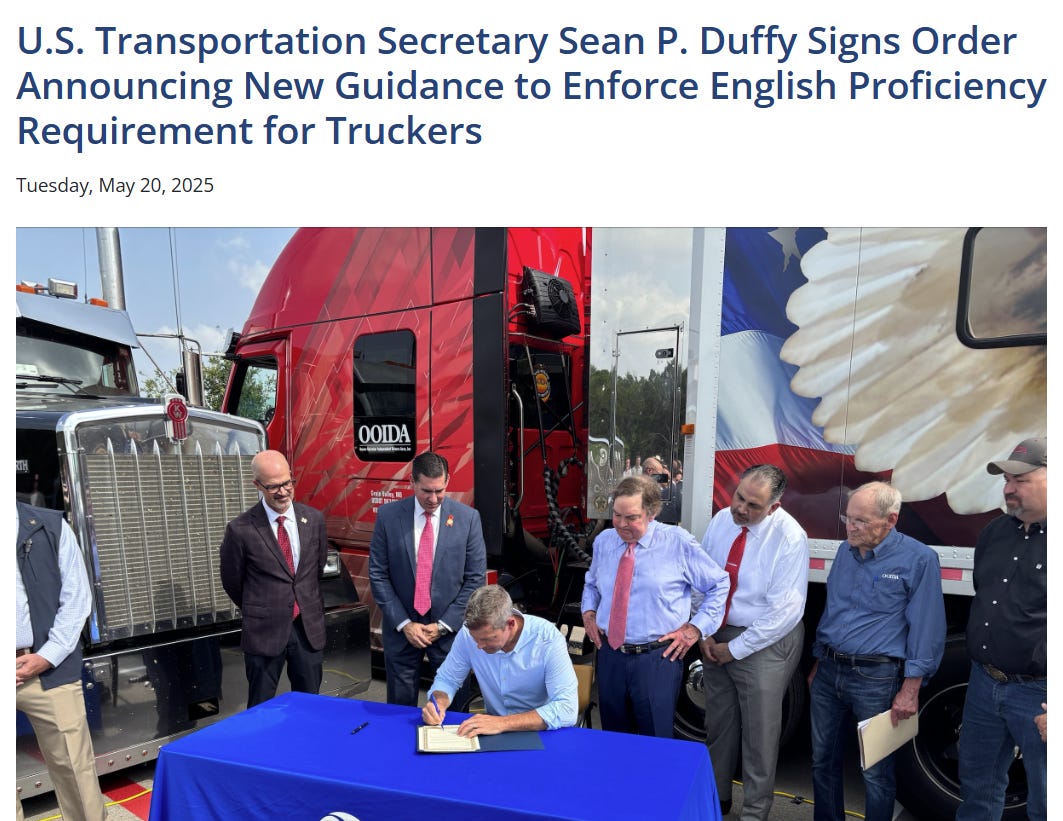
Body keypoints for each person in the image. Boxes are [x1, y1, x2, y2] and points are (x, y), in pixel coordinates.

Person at [809, 481, 945, 821]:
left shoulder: (919, 559)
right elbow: (833, 609)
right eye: (848, 518)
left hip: (876, 679)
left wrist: (911, 689)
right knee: (822, 761)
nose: (850, 528)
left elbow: (927, 628)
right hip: (829, 670)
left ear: (891, 519)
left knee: (876, 772)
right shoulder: (846, 551)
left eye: (861, 521)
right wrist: (818, 661)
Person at [698, 465, 808, 819]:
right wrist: (704, 630)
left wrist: (734, 649)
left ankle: (755, 813)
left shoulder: (790, 537)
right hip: (717, 633)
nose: (741, 509)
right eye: (739, 497)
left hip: (764, 640)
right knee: (718, 725)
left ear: (774, 507)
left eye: (753, 505)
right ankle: (716, 800)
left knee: (760, 735)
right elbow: (702, 578)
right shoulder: (721, 520)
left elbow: (785, 612)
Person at [581, 476, 729, 737]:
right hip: (610, 656)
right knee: (613, 740)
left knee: (655, 741)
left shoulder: (677, 543)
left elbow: (718, 584)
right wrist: (589, 611)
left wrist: (695, 629)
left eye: (631, 518)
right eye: (617, 515)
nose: (621, 524)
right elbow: (592, 582)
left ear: (652, 514)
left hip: (656, 660)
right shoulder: (605, 541)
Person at [956, 437, 1047, 821]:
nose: (1009, 488)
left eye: (1020, 480)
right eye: (1007, 479)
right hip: (984, 684)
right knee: (977, 793)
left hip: (1040, 695)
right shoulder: (994, 532)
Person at [369, 451, 487, 706]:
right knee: (399, 712)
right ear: (412, 482)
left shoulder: (468, 519)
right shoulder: (388, 516)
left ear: (447, 481)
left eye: (439, 490)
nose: (433, 499)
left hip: (449, 635)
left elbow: (475, 580)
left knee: (453, 710)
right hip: (402, 633)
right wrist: (404, 624)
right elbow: (378, 574)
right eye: (426, 491)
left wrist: (443, 625)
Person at [16, 502, 107, 821]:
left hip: (47, 668)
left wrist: (48, 655)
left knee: (75, 772)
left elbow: (77, 597)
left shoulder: (49, 526)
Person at [219, 450, 329, 708]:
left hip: (307, 629)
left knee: (311, 706)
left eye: (287, 483)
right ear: (257, 485)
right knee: (260, 708)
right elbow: (233, 581)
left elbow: (316, 568)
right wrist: (264, 607)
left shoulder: (314, 520)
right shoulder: (240, 529)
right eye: (272, 487)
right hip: (264, 632)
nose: (282, 492)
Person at [421, 584, 578, 735]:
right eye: (476, 639)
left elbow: (567, 708)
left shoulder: (547, 639)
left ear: (510, 623)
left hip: (540, 731)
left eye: (487, 639)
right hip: (491, 729)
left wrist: (502, 723)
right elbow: (447, 679)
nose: (479, 646)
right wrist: (438, 701)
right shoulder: (467, 634)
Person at [643, 456, 682, 525]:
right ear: (649, 471)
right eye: (661, 474)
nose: (662, 477)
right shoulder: (645, 491)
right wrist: (672, 482)